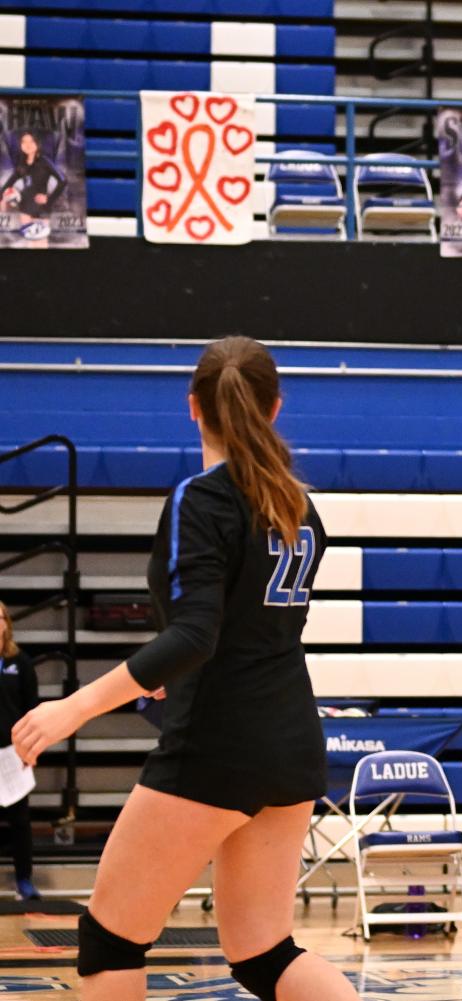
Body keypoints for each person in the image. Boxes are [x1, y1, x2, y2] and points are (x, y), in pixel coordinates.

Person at [11, 337, 358, 1001]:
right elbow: (251, 627)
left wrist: (72, 707)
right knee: (263, 953)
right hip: (290, 741)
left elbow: (196, 634)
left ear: (192, 407)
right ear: (274, 407)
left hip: (217, 746)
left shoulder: (202, 499)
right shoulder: (300, 507)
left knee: (110, 939)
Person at [0, 601, 40, 900]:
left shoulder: (21, 662)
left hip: (13, 755)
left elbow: (33, 710)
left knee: (20, 820)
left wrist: (31, 750)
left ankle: (24, 880)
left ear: (6, 624)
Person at [1, 131, 66, 245]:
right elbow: (8, 184)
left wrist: (49, 199)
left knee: (41, 244)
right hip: (25, 208)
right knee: (30, 245)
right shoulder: (22, 165)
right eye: (24, 142)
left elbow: (63, 181)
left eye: (31, 141)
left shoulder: (45, 162)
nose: (27, 144)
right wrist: (1, 198)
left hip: (41, 208)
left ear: (37, 144)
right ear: (21, 145)